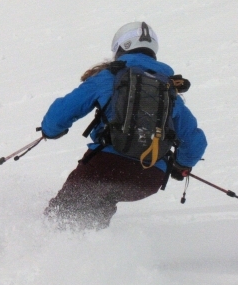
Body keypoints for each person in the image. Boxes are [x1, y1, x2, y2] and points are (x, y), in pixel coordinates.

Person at [39, 21, 207, 230]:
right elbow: (194, 139)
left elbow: (61, 113)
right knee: (101, 205)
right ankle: (94, 254)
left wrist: (49, 131)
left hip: (104, 166)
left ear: (121, 48)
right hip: (148, 177)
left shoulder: (109, 76)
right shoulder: (168, 88)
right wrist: (180, 165)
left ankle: (46, 254)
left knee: (59, 217)